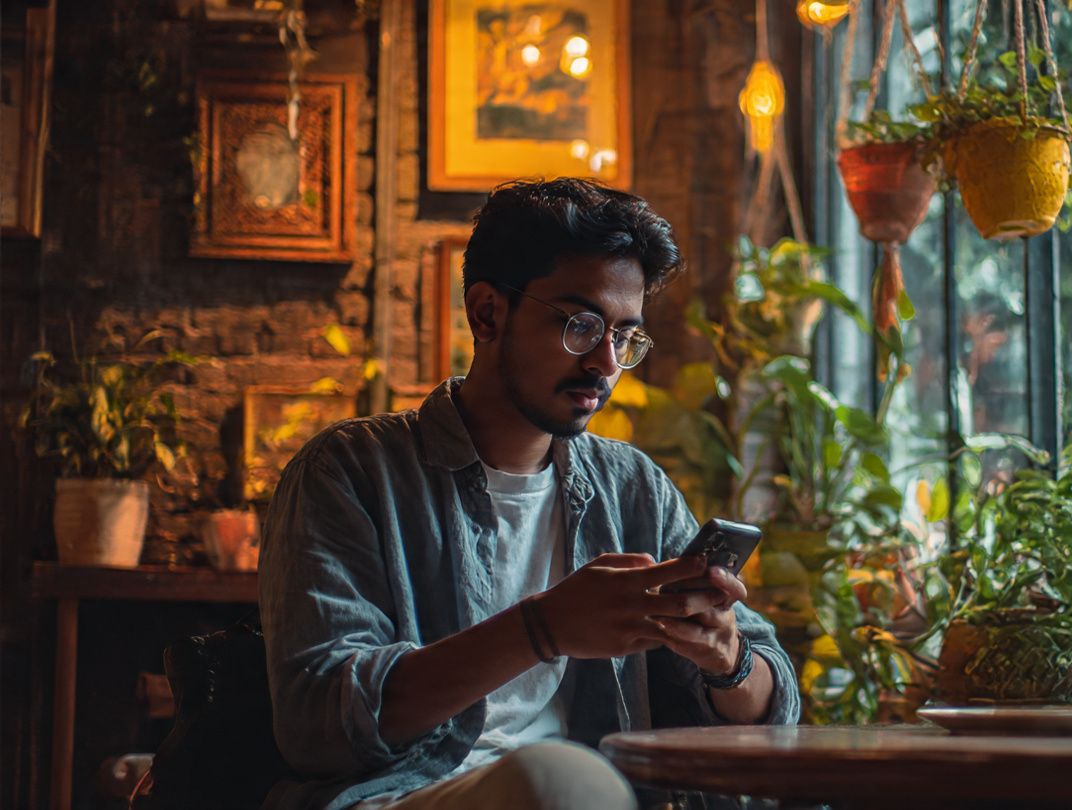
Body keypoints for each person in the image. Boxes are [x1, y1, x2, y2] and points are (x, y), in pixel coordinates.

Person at [258, 178, 801, 810]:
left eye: (625, 336)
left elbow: (774, 710)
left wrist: (727, 659)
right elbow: (318, 726)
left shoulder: (632, 488)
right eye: (580, 325)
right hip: (412, 795)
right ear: (487, 313)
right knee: (559, 783)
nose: (605, 362)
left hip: (604, 794)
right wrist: (543, 629)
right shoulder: (350, 472)